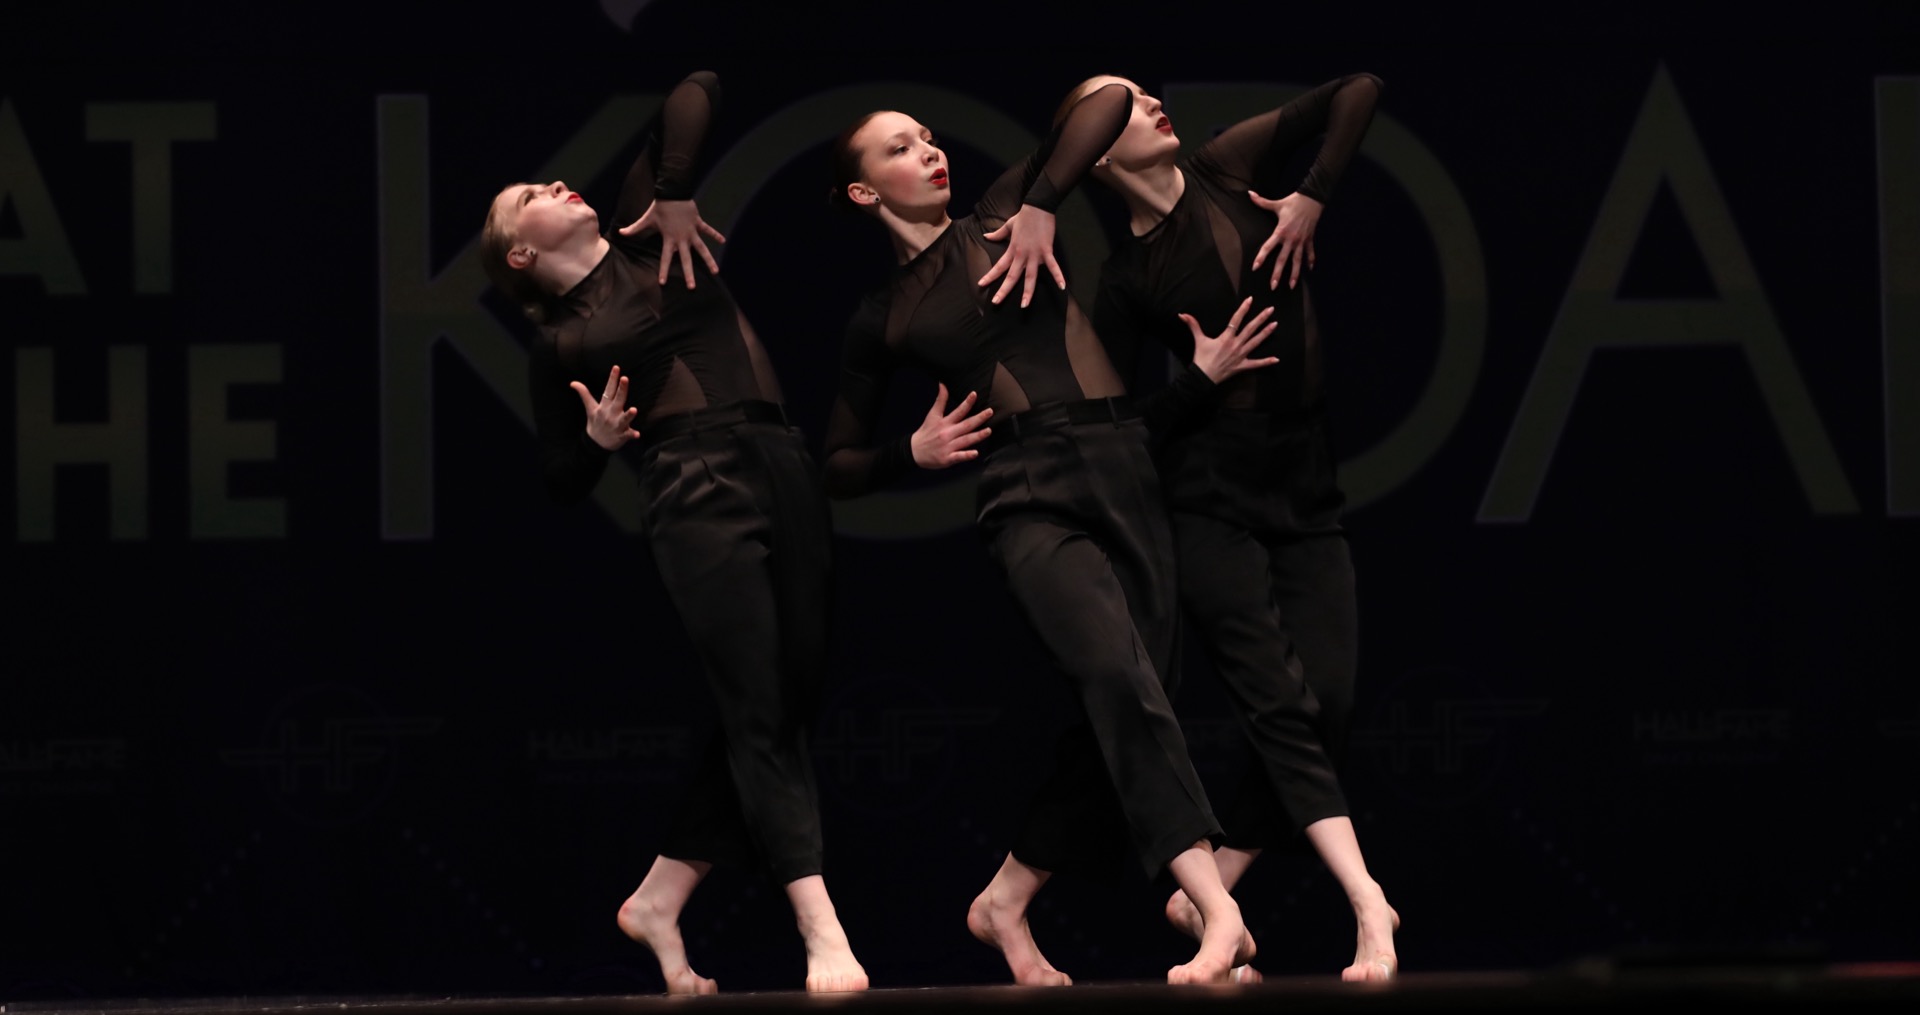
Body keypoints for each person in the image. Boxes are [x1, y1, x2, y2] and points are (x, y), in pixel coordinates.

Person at [823, 83, 1275, 985]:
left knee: (1135, 698)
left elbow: (1104, 99)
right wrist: (909, 453)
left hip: (1122, 465)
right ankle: (1218, 913)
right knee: (1116, 676)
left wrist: (1038, 206)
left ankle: (1005, 897)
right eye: (900, 148)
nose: (929, 151)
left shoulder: (1002, 212)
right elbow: (832, 462)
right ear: (864, 192)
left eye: (928, 137)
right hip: (1025, 488)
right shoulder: (884, 315)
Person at [480, 70, 867, 995]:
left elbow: (696, 87)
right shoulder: (559, 347)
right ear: (521, 253)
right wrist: (595, 441)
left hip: (781, 461)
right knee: (757, 708)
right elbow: (561, 480)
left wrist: (678, 189)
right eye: (530, 197)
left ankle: (660, 895)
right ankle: (822, 931)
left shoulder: (645, 230)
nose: (557, 185)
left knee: (791, 697)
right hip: (694, 488)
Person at [1066, 71, 1399, 981]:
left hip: (1306, 482)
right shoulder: (1125, 279)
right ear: (1094, 153)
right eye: (1123, 104)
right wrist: (1198, 381)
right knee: (1278, 703)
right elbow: (1110, 430)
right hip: (1208, 496)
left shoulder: (1224, 167)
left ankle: (1211, 886)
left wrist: (1313, 196)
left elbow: (1358, 88)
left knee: (1328, 699)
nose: (1150, 103)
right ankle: (1368, 902)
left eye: (1145, 92)